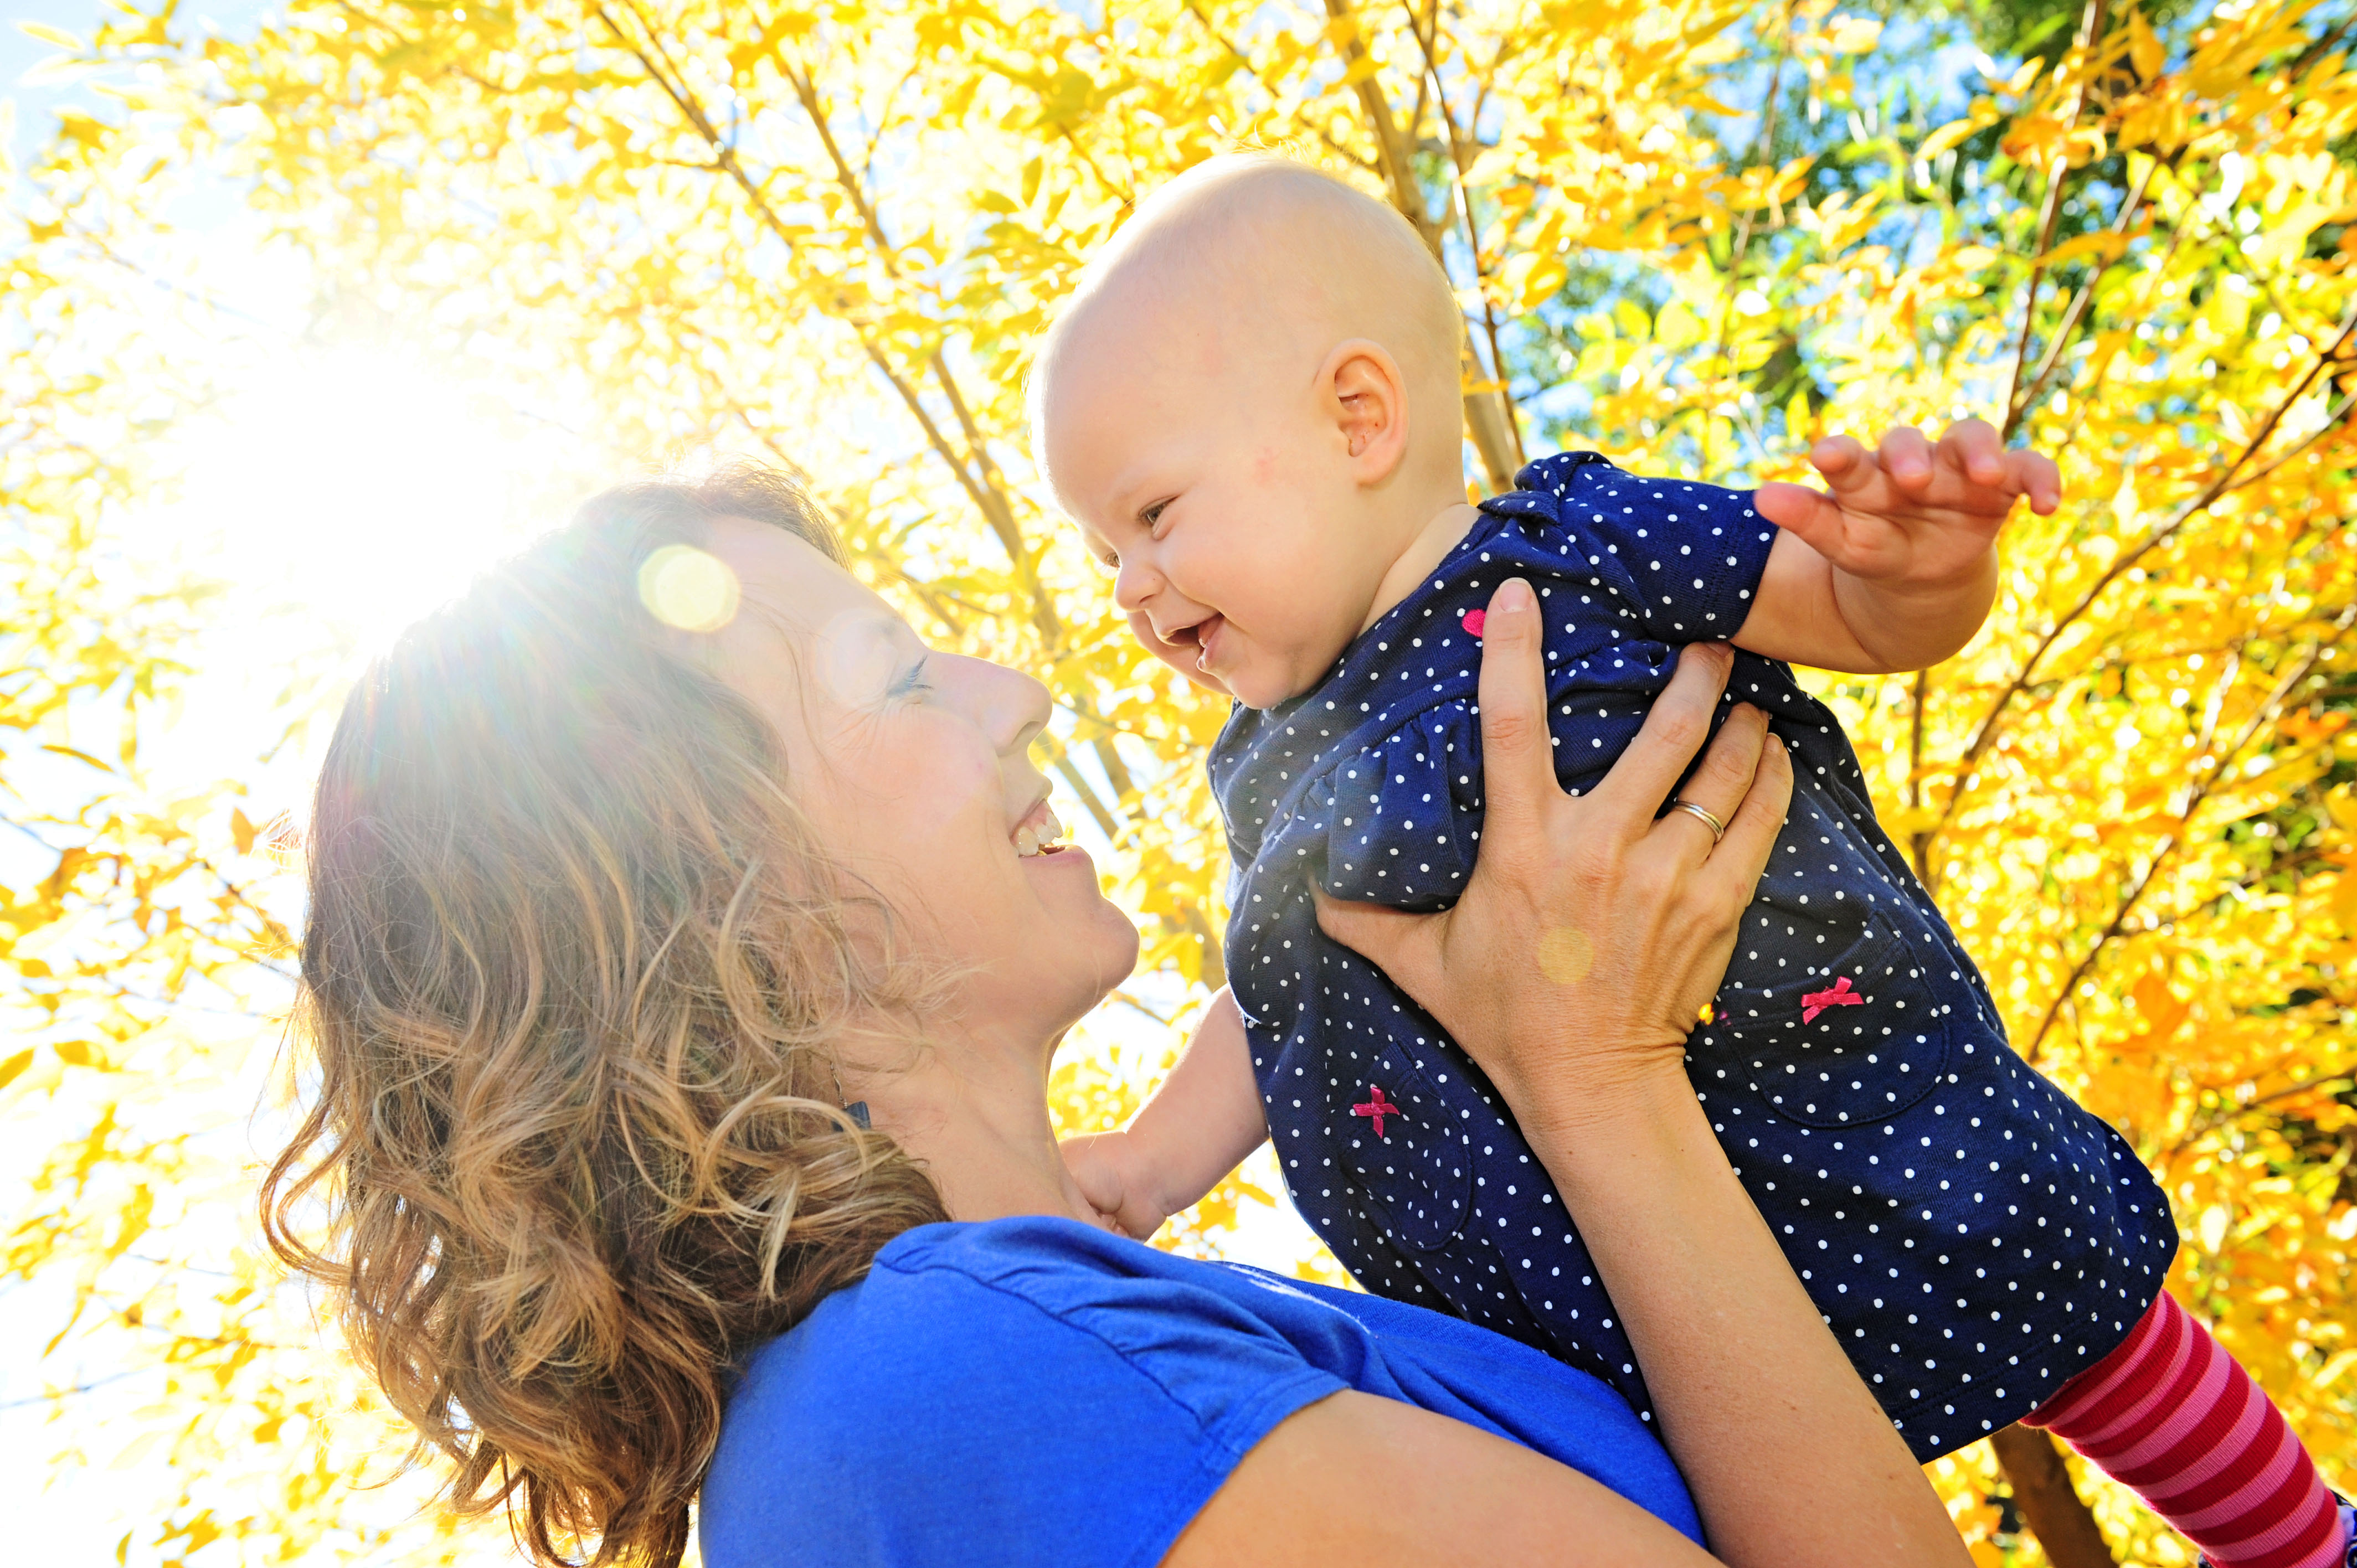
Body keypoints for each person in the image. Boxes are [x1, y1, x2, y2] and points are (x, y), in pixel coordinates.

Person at [266, 465, 1979, 1568]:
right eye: (902, 680)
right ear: (719, 911)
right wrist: (1602, 1081)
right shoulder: (962, 1388)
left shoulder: (1028, 1367)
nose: (1019, 694)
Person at [1035, 154, 2351, 1568]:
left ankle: (2293, 1538)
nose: (1126, 584)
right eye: (1103, 547)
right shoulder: (1273, 762)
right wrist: (1157, 1163)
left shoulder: (1576, 545)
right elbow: (1291, 991)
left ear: (1360, 417)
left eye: (1154, 515)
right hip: (1584, 1286)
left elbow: (1846, 607)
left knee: (2066, 1298)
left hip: (1848, 1102)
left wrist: (1918, 570)